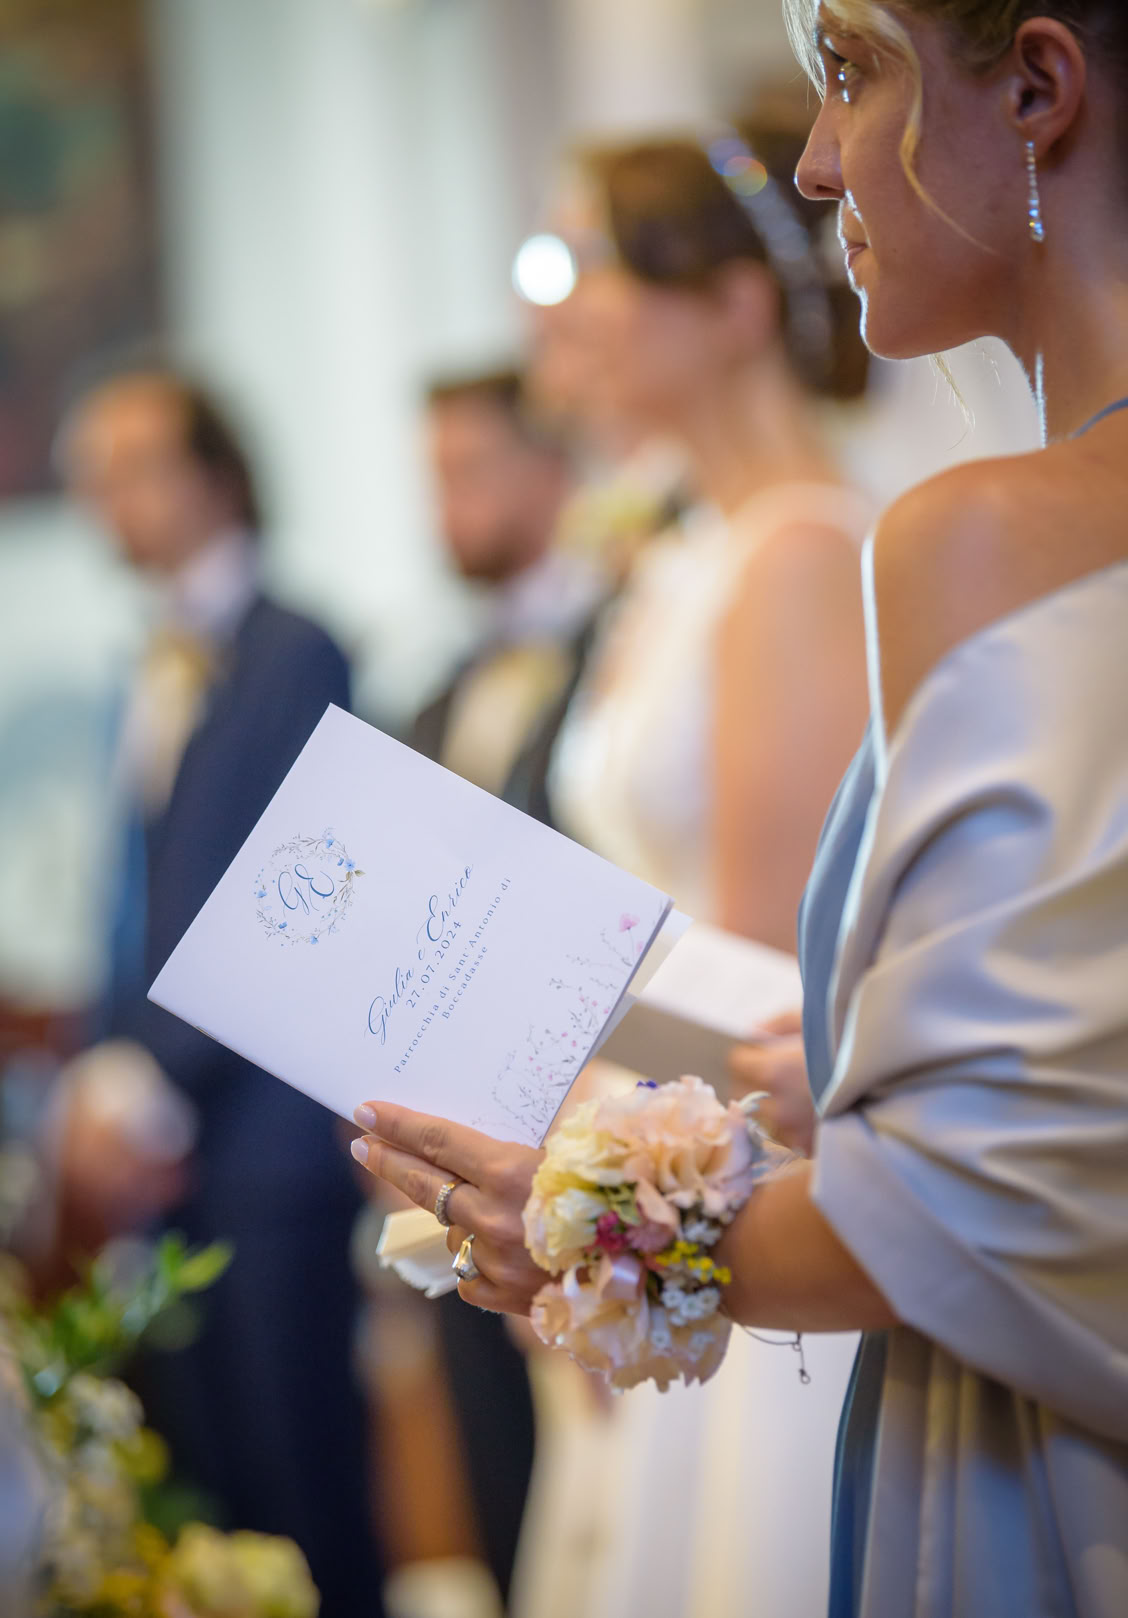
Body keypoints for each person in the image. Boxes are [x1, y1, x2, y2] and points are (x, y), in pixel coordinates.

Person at [344, 4, 1128, 1614]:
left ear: (1041, 85)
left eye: (854, 72)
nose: (818, 158)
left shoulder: (974, 533)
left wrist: (588, 1220)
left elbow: (990, 1195)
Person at [504, 118, 872, 1617]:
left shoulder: (796, 555)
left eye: (588, 262)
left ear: (730, 307)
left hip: (736, 1181)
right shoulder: (677, 556)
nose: (554, 308)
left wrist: (596, 1200)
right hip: (643, 1152)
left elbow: (757, 973)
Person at [57, 370, 384, 1617]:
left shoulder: (296, 648)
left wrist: (146, 1091)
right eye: (95, 473)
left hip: (262, 1147)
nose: (111, 498)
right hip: (165, 1143)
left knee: (305, 1502)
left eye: (136, 463)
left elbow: (284, 892)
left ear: (217, 473)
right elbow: (134, 899)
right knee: (207, 1499)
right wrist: (97, 1073)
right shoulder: (146, 665)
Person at [409, 370, 605, 815]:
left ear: (550, 468)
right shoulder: (450, 684)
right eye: (436, 480)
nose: (444, 507)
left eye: (468, 472)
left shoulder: (616, 635)